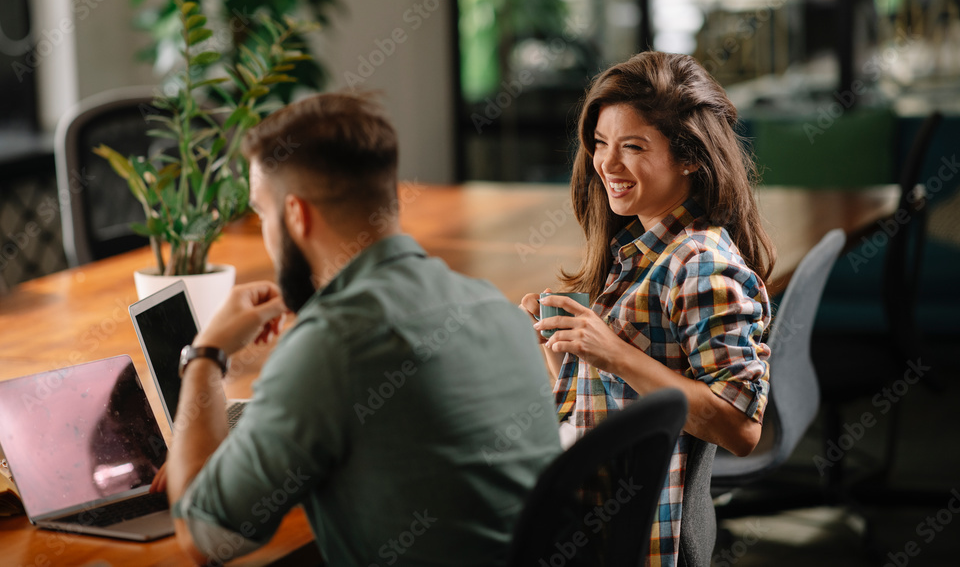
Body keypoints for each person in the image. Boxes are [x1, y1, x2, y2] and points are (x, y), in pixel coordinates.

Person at [160, 92, 562, 565]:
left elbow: (204, 536)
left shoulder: (332, 346)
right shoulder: (492, 304)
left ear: (296, 215)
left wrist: (206, 355)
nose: (265, 231)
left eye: (262, 212)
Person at [520, 51, 774, 566]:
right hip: (602, 520)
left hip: (646, 540)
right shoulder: (642, 248)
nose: (607, 165)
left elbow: (740, 427)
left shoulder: (700, 265)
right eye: (600, 144)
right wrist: (567, 351)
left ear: (690, 156)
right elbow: (628, 402)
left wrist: (611, 352)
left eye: (632, 147)